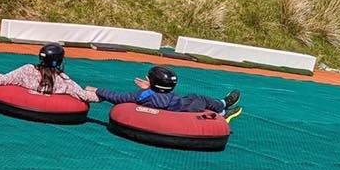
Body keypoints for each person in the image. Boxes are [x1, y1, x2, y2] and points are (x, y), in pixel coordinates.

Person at [96, 65, 241, 118]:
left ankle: (222, 108)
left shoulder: (143, 95)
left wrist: (99, 90)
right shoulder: (155, 94)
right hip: (185, 105)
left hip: (179, 104)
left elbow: (118, 97)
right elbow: (162, 95)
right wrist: (152, 88)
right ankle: (222, 107)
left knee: (195, 98)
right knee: (199, 98)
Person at [0, 43, 98, 102]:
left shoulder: (27, 70)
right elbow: (83, 96)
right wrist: (99, 92)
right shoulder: (63, 80)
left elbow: (2, 80)